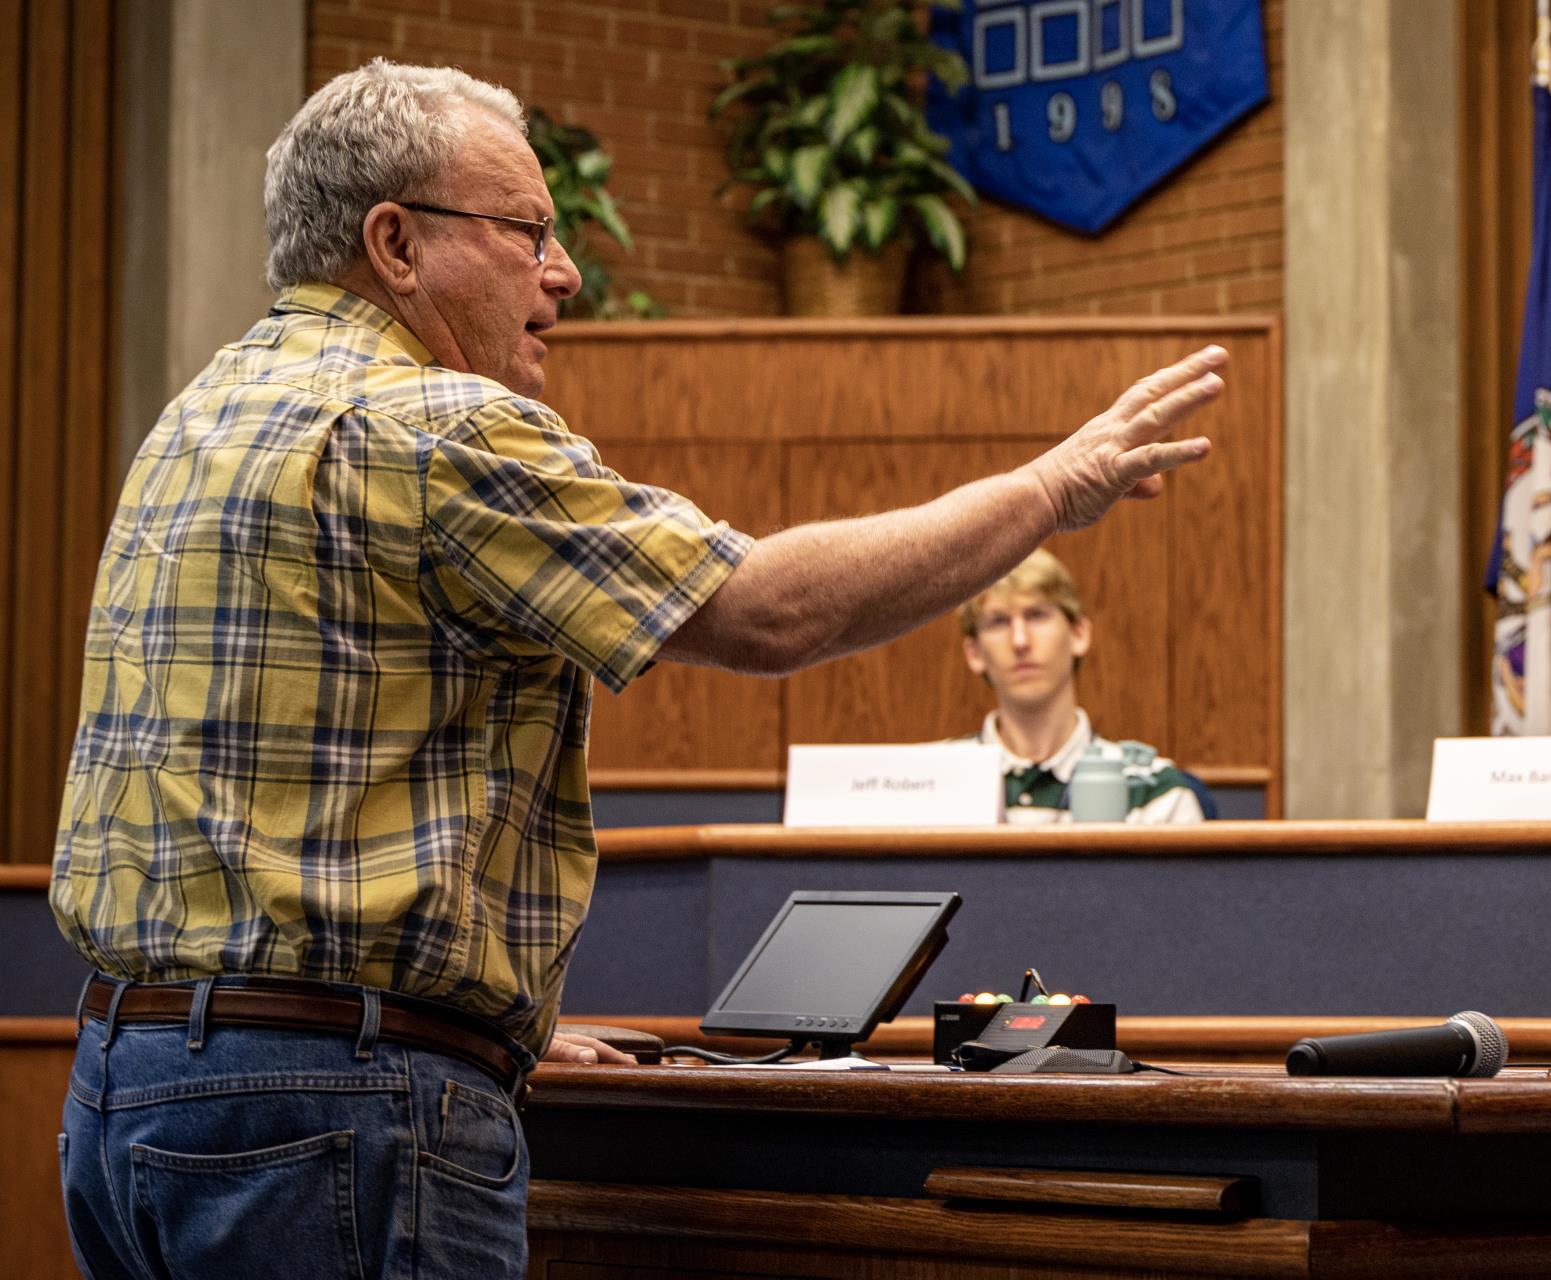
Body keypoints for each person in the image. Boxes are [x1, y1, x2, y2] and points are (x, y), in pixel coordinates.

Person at [47, 61, 1225, 1279]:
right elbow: (767, 610)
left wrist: (471, 1027)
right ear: (394, 244)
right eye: (527, 233)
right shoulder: (437, 425)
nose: (562, 271)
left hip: (125, 1094)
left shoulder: (193, 419)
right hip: (336, 1111)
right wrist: (1050, 488)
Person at [956, 548, 1205, 824]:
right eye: (999, 621)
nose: (1020, 641)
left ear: (1079, 634)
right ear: (974, 653)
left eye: (1036, 615)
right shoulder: (934, 778)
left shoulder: (1153, 789)